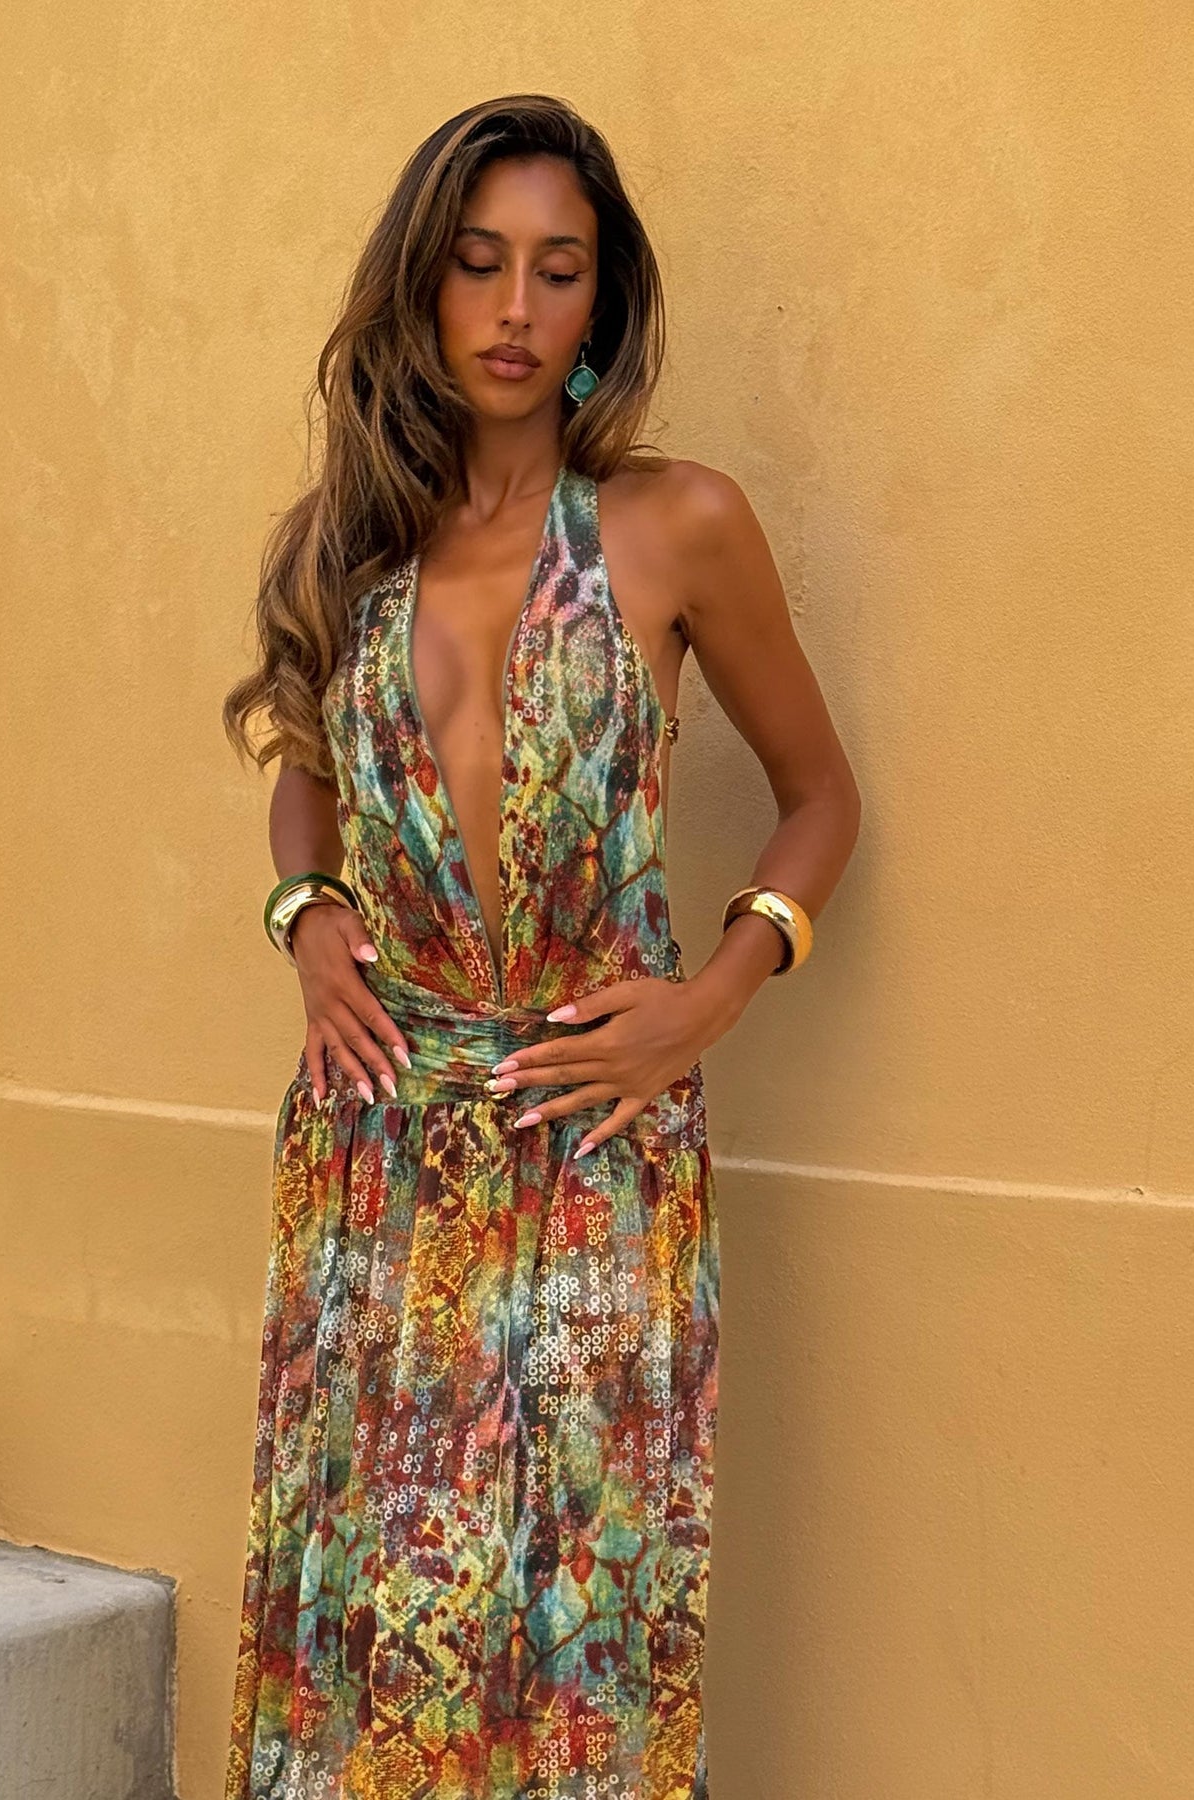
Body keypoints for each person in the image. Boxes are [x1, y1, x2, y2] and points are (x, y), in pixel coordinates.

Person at [220, 92, 860, 1800]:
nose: (514, 310)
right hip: (375, 1143)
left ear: (601, 302)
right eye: (477, 263)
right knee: (376, 1597)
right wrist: (307, 917)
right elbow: (303, 772)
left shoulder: (673, 523)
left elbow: (818, 799)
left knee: (569, 1605)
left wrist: (708, 1003)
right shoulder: (345, 543)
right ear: (419, 288)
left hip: (594, 1135)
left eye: (557, 271)